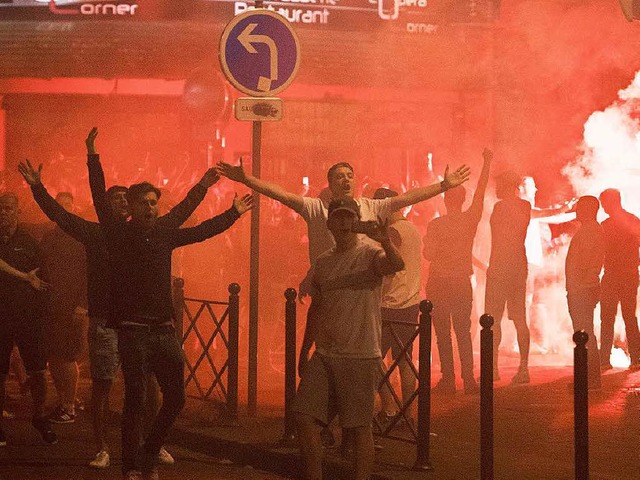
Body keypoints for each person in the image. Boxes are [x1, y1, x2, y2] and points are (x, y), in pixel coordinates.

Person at [19, 127, 219, 471]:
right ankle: (108, 451)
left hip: (146, 325)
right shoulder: (103, 234)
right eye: (120, 200)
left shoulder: (149, 235)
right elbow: (63, 215)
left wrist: (210, 193)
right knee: (109, 388)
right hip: (109, 320)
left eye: (133, 200)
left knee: (149, 391)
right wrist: (54, 178)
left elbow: (189, 220)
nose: (126, 205)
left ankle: (149, 446)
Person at [90, 140, 254, 480]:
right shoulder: (118, 233)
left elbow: (197, 227)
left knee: (176, 398)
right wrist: (93, 156)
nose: (151, 207)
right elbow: (97, 198)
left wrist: (230, 209)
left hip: (164, 331)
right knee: (135, 399)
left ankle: (149, 450)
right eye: (144, 202)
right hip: (133, 331)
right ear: (132, 206)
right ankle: (131, 466)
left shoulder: (165, 233)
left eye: (154, 202)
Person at [293, 197, 404, 480]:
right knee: (304, 417)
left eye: (348, 217)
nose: (343, 223)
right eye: (338, 218)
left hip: (360, 355)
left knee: (358, 428)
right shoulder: (323, 261)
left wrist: (386, 242)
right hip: (326, 354)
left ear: (355, 222)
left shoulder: (370, 253)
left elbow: (395, 264)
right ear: (329, 223)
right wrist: (306, 350)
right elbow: (316, 309)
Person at [424, 148, 492, 394]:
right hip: (461, 283)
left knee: (442, 333)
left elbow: (428, 255)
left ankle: (449, 379)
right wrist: (487, 163)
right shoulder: (469, 219)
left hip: (440, 283)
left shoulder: (436, 225)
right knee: (463, 332)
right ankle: (470, 380)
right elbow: (481, 193)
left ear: (445, 200)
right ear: (463, 199)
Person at [0, 192, 57, 447]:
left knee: (37, 372)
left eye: (9, 208)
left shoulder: (30, 242)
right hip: (1, 316)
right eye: (1, 208)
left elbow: (43, 279)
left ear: (18, 212)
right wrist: (24, 277)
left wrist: (44, 315)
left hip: (28, 318)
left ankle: (39, 415)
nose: (4, 213)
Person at [373, 187, 422, 423]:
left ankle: (389, 407)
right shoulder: (412, 228)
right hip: (411, 302)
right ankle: (409, 414)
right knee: (404, 360)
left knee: (373, 359)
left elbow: (385, 265)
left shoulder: (392, 232)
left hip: (390, 303)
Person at [39, 191, 88, 424]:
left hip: (71, 307)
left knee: (67, 356)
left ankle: (69, 404)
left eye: (68, 204)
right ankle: (63, 400)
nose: (64, 209)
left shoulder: (81, 238)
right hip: (51, 306)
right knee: (54, 356)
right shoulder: (49, 238)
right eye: (60, 205)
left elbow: (90, 274)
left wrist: (82, 304)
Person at [485, 170, 531, 383]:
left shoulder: (502, 207)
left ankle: (493, 369)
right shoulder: (524, 206)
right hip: (517, 267)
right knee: (519, 317)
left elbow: (502, 239)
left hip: (501, 267)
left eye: (499, 184)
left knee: (493, 320)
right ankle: (523, 368)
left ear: (508, 185)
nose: (496, 188)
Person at [598, 188, 640, 371]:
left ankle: (604, 359)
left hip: (613, 275)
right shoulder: (633, 220)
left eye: (604, 203)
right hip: (629, 274)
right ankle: (636, 358)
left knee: (607, 318)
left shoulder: (605, 225)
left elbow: (599, 253)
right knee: (629, 316)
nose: (603, 207)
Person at [565, 196, 604, 389]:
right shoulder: (590, 230)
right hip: (582, 288)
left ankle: (589, 379)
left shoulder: (590, 231)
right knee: (585, 332)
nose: (576, 211)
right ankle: (589, 378)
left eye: (579, 208)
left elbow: (588, 264)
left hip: (582, 289)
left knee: (584, 333)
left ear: (588, 210)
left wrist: (579, 285)